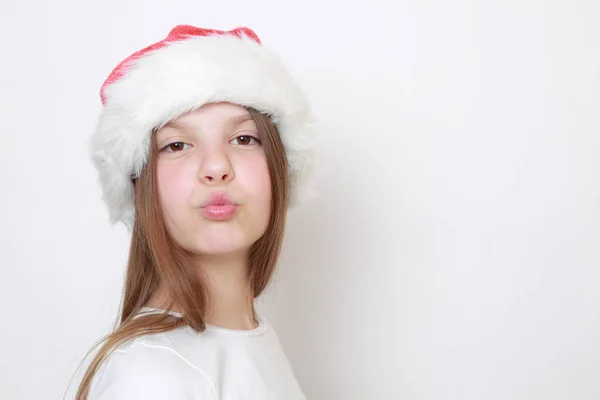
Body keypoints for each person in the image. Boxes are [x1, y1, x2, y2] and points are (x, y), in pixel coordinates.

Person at [74, 25, 317, 400]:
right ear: (141, 186)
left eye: (244, 138)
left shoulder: (256, 340)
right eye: (177, 144)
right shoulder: (149, 375)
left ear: (279, 170)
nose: (216, 166)